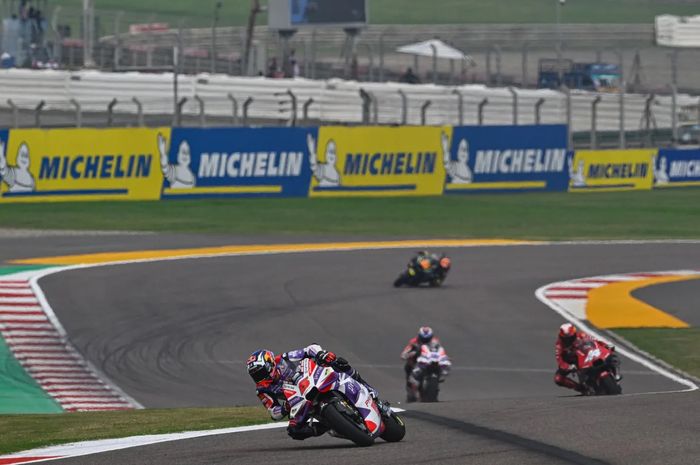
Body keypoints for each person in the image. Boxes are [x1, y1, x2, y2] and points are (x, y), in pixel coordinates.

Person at [246, 344, 389, 440]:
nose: (259, 378)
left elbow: (309, 350)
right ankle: (330, 425)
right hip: (300, 401)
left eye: (261, 373)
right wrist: (285, 407)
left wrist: (321, 354)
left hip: (312, 379)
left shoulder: (283, 359)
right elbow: (274, 413)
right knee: (294, 431)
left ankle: (371, 393)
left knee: (339, 363)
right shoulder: (262, 390)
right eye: (255, 375)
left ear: (270, 364)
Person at [554, 323, 617, 394]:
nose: (568, 340)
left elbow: (595, 341)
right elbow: (559, 359)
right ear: (561, 337)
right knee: (558, 379)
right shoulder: (559, 345)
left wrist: (606, 345)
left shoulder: (581, 335)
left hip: (587, 355)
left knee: (610, 354)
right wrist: (568, 366)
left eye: (570, 337)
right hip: (572, 361)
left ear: (574, 334)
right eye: (566, 339)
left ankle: (615, 374)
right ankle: (581, 388)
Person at [401, 326, 446, 402]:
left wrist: (444, 357)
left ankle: (437, 381)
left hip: (430, 360)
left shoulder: (435, 341)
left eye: (427, 339)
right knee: (408, 368)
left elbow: (440, 350)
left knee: (439, 365)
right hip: (417, 362)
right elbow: (404, 353)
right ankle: (411, 390)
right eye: (423, 339)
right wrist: (410, 354)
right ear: (419, 336)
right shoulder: (414, 342)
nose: (425, 341)